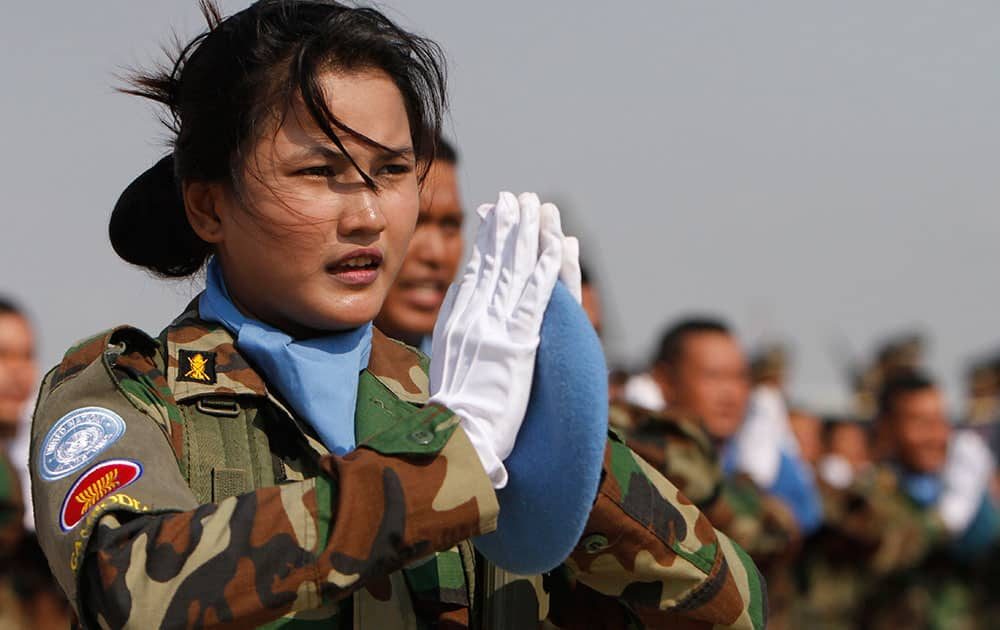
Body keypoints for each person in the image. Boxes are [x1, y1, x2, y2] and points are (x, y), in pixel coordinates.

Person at [29, 2, 765, 629]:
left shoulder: (454, 391)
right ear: (209, 203)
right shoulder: (130, 389)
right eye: (319, 173)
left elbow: (732, 609)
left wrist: (564, 442)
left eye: (391, 172)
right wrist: (448, 462)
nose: (368, 216)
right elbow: (129, 592)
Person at [374, 137, 463, 353]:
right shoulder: (291, 379)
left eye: (450, 225)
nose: (436, 254)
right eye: (415, 222)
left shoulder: (464, 376)